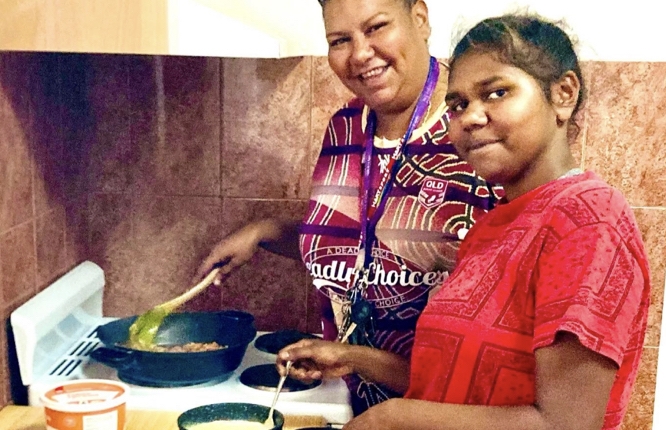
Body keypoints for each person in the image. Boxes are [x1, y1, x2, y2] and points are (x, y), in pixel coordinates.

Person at [277, 13, 651, 430]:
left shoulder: (587, 224)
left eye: (496, 93)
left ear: (563, 94)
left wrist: (393, 417)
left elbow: (564, 424)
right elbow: (455, 384)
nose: (471, 117)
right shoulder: (493, 228)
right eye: (458, 104)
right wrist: (354, 358)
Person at [196, 0, 500, 416]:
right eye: (340, 40)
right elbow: (356, 244)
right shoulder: (345, 126)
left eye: (376, 27)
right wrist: (265, 231)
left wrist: (359, 360)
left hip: (444, 415)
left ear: (420, 18)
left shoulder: (478, 133)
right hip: (349, 403)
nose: (359, 54)